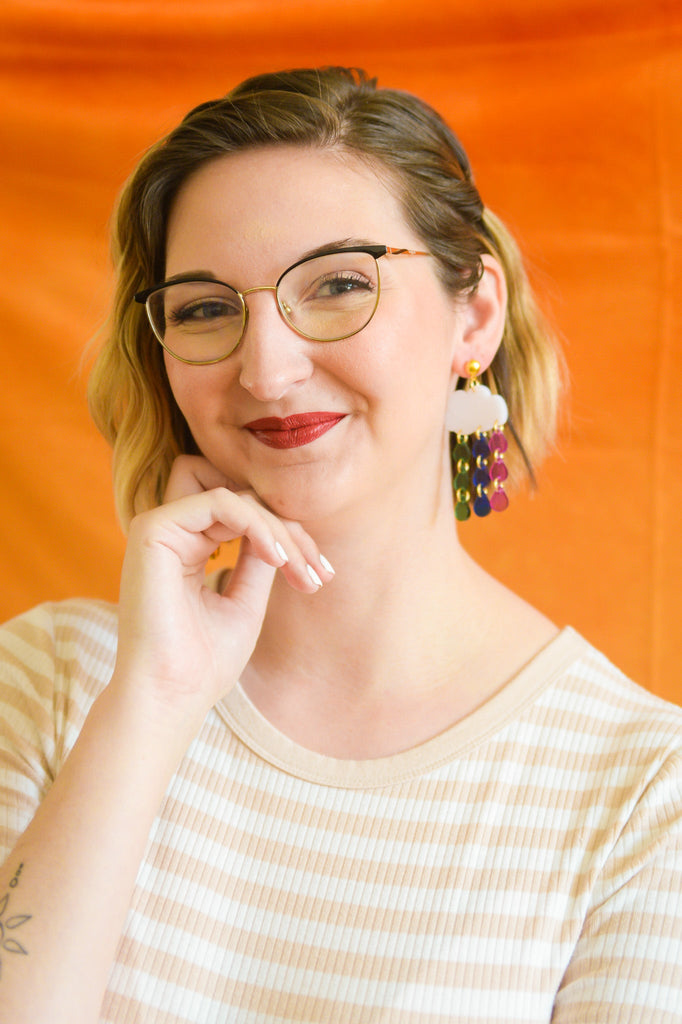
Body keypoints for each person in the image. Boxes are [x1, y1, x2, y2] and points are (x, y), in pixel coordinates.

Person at [0, 66, 680, 1024]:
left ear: (473, 313)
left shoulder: (645, 796)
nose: (268, 370)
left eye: (338, 286)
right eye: (204, 308)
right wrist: (152, 705)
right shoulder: (49, 685)